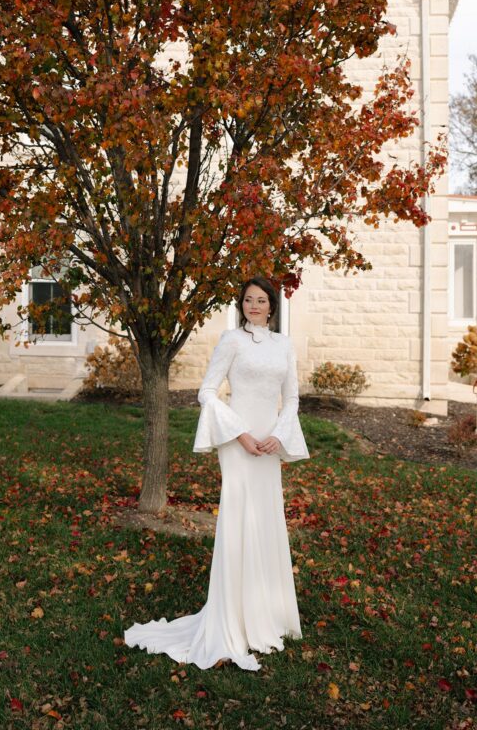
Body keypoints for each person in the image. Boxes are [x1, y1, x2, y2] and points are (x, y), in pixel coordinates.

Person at [123, 276, 310, 671]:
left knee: (266, 520)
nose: (254, 306)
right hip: (239, 443)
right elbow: (206, 391)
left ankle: (268, 615)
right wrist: (240, 434)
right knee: (239, 520)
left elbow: (291, 398)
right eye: (247, 300)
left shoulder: (284, 345)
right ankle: (232, 620)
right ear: (240, 304)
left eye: (261, 300)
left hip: (269, 444)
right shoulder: (231, 341)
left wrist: (278, 435)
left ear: (272, 306)